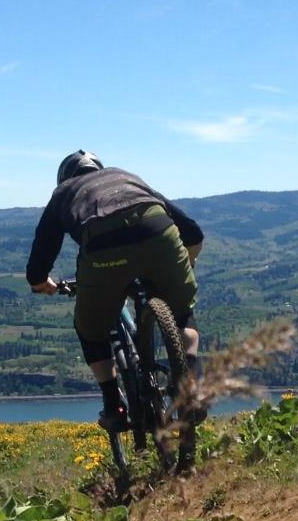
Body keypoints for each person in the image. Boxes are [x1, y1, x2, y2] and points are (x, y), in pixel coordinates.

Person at [26, 150, 203, 431]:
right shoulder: (126, 177)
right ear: (99, 169)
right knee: (182, 313)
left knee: (91, 330)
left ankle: (114, 406)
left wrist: (41, 283)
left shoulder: (63, 192)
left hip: (103, 248)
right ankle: (191, 383)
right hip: (159, 234)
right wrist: (186, 263)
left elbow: (43, 250)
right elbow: (193, 233)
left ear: (64, 178)